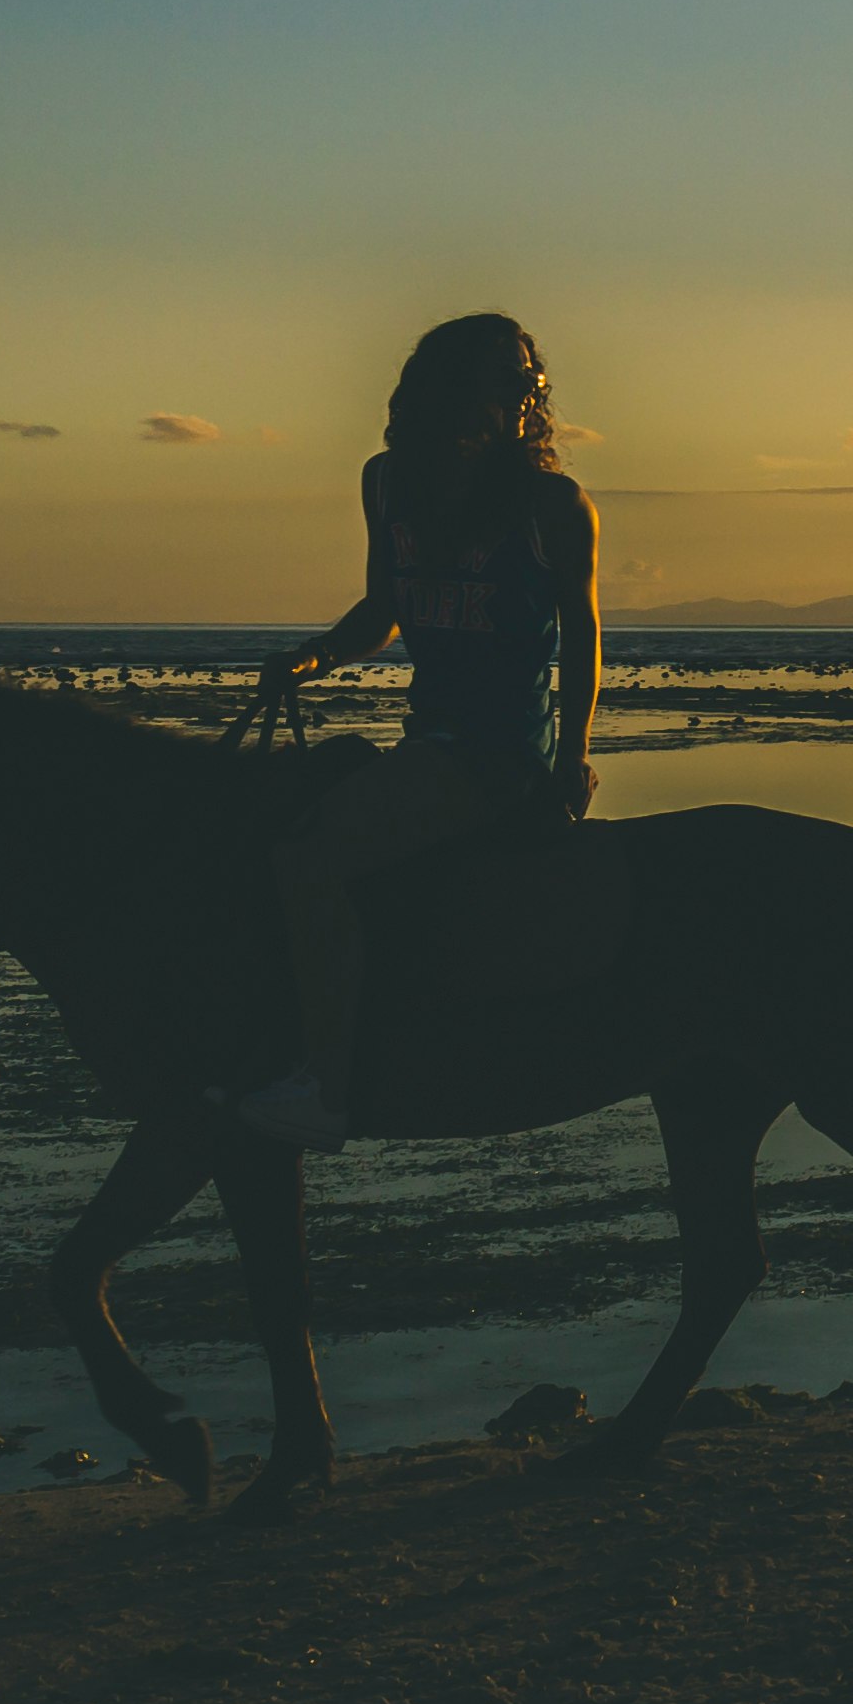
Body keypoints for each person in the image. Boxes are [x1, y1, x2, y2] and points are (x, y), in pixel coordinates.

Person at [222, 313, 601, 1150]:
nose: (522, 393)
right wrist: (313, 658)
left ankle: (327, 1086)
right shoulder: (387, 484)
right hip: (428, 740)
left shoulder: (552, 505)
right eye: (502, 378)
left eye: (526, 381)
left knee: (307, 859)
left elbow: (582, 642)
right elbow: (382, 611)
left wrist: (571, 757)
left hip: (499, 756)